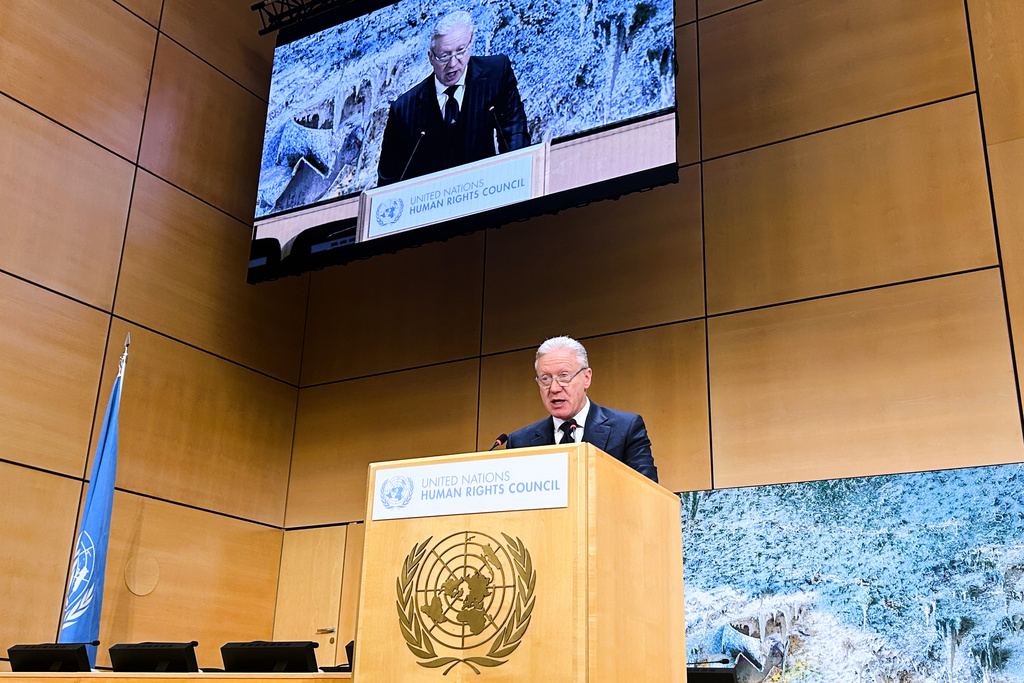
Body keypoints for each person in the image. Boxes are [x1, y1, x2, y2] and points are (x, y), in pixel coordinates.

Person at [376, 10, 530, 186]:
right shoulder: (404, 110)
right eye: (445, 55)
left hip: (488, 193)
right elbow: (389, 178)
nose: (453, 63)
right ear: (431, 57)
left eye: (460, 51)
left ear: (470, 45)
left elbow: (515, 136)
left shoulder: (496, 74)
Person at [507, 336, 658, 482]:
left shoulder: (626, 428)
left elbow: (647, 493)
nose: (553, 388)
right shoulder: (520, 442)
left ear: (586, 378)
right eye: (545, 378)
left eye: (564, 376)